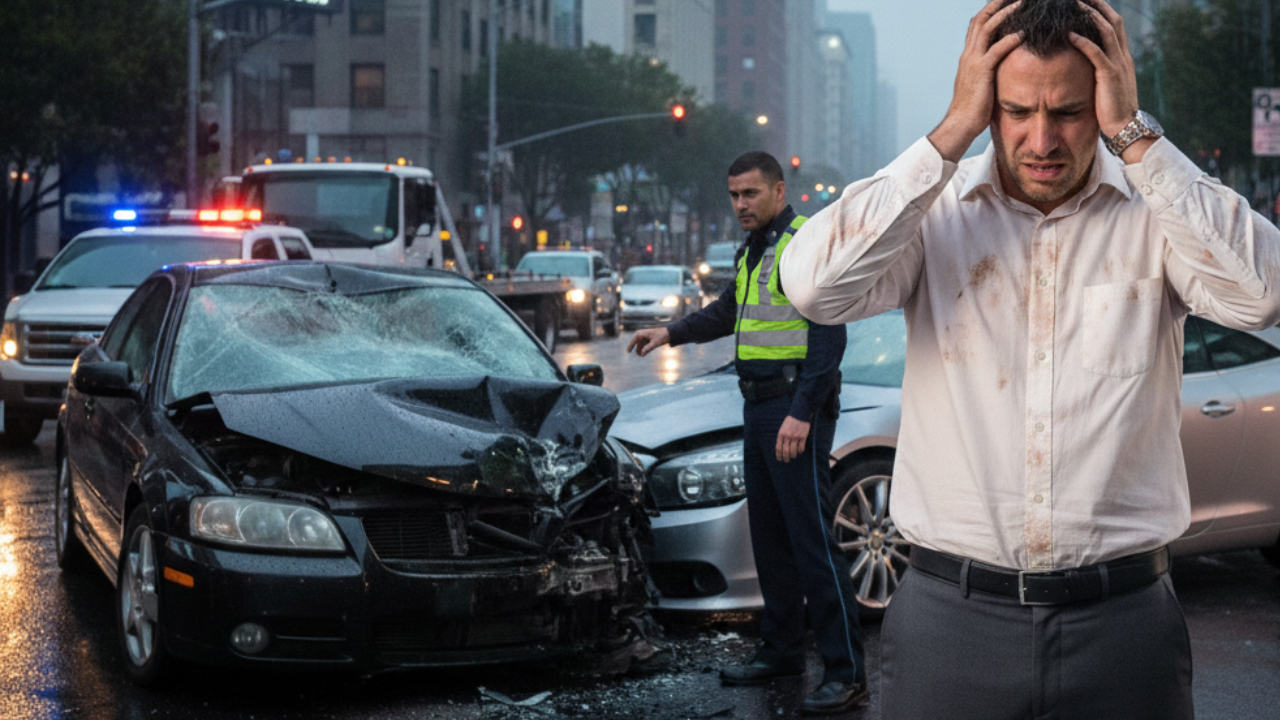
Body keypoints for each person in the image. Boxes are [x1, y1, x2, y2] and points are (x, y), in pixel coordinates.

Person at [778, 1, 1280, 718]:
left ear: (1105, 102)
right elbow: (812, 286)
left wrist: (1138, 140)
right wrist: (948, 134)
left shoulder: (1156, 214)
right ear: (986, 106)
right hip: (949, 624)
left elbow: (1263, 293)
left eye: (1069, 111)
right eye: (1016, 110)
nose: (1041, 139)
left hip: (1125, 625)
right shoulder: (934, 215)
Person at [627, 152, 867, 716]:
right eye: (734, 195)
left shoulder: (805, 243)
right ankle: (781, 650)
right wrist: (670, 332)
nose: (740, 204)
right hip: (758, 405)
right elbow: (728, 312)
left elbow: (829, 336)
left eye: (751, 194)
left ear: (780, 190)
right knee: (771, 539)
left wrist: (803, 412)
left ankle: (847, 670)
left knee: (812, 542)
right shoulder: (754, 249)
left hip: (792, 409)